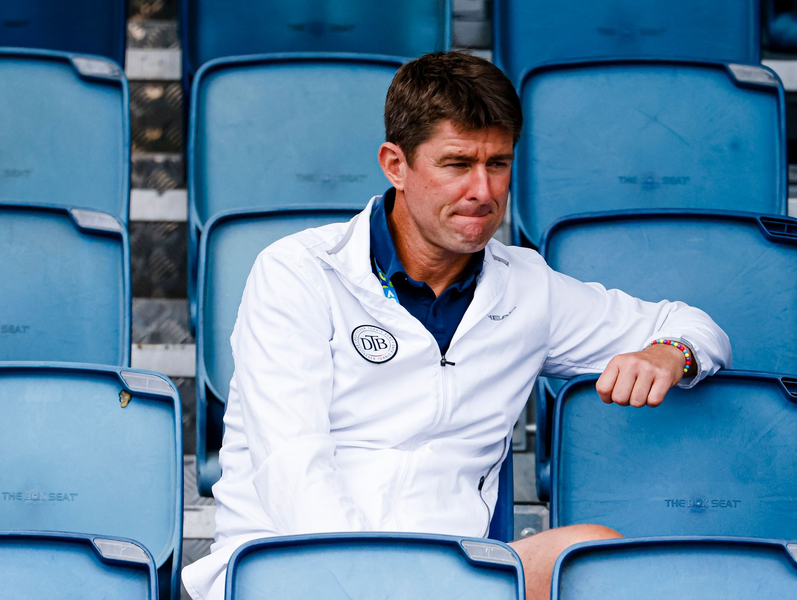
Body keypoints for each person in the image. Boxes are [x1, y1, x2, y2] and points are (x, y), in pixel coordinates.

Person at [182, 52, 732, 600]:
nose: (483, 191)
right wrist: (379, 584)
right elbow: (293, 472)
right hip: (291, 571)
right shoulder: (299, 272)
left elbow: (694, 327)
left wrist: (669, 354)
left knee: (592, 553)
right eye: (457, 164)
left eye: (498, 164)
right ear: (395, 165)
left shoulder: (528, 288)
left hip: (451, 578)